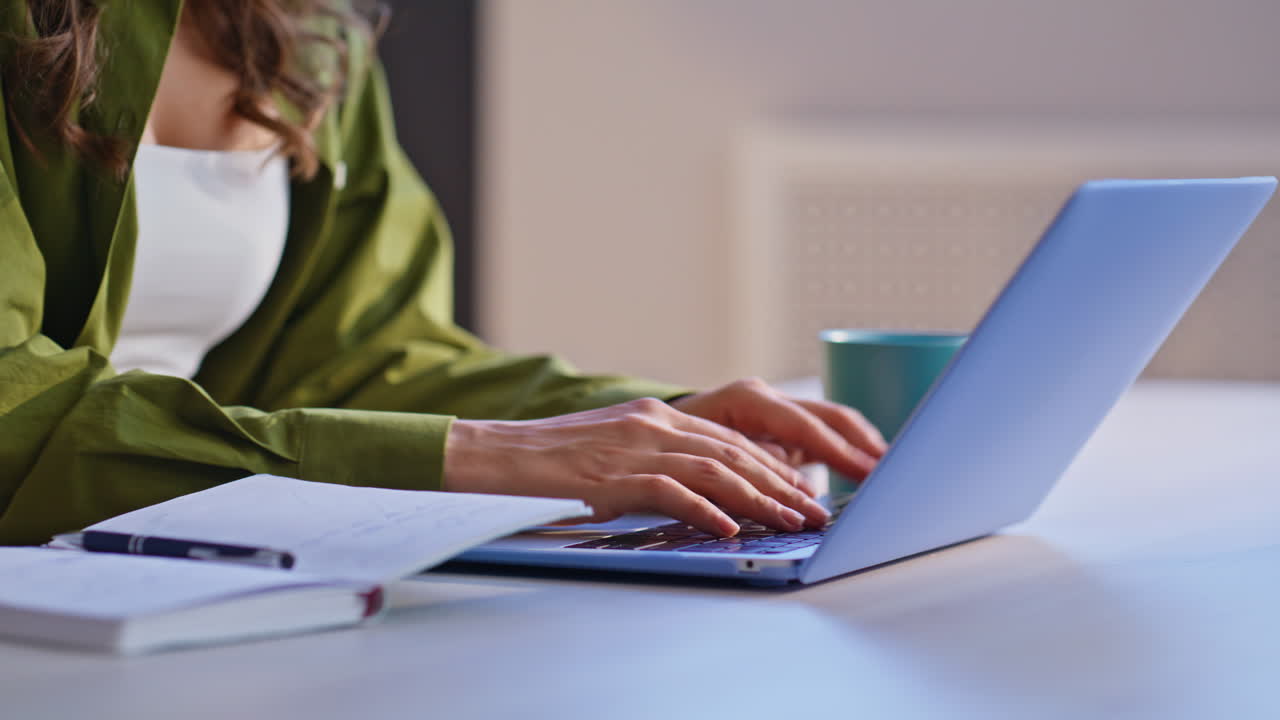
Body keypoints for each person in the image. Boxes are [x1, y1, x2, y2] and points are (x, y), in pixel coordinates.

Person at [0, 1, 885, 546]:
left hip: (160, 578)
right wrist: (481, 455)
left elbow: (359, 361)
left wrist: (649, 424)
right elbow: (14, 407)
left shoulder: (306, 40)